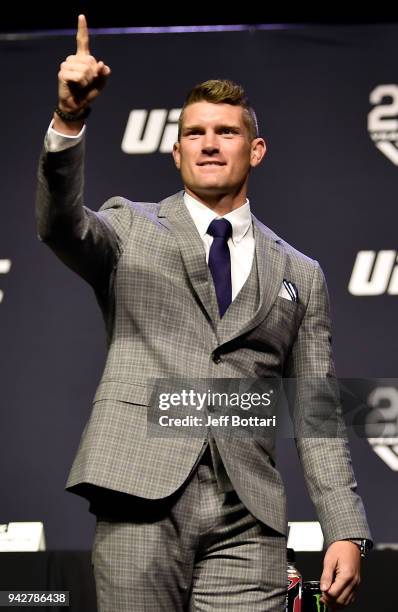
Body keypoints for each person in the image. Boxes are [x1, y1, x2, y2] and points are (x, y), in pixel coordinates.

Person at [36, 14, 372, 612]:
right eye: (194, 133)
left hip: (249, 515)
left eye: (225, 131)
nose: (210, 143)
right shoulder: (131, 227)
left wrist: (344, 527)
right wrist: (69, 120)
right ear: (176, 151)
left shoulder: (300, 272)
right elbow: (61, 224)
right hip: (140, 491)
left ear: (256, 149)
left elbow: (317, 412)